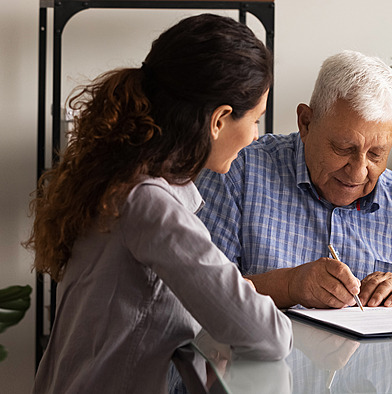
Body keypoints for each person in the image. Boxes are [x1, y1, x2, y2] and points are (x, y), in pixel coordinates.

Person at [26, 14, 292, 393]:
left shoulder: (124, 181)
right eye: (256, 120)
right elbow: (269, 335)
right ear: (219, 120)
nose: (255, 137)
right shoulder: (152, 207)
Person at [195, 50, 392, 309]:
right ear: (306, 123)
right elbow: (195, 295)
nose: (358, 172)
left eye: (376, 154)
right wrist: (289, 285)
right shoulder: (237, 174)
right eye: (343, 148)